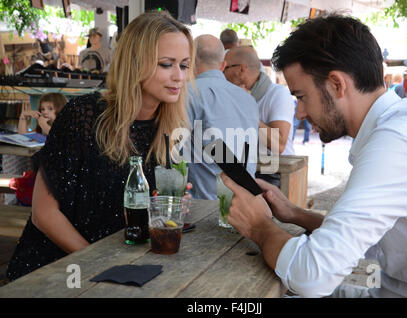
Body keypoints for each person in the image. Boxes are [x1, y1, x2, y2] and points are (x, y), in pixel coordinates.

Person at [220, 14, 407, 298]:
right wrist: (294, 214)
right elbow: (368, 238)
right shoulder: (403, 126)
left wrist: (259, 227)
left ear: (337, 84)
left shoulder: (397, 144)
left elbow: (313, 275)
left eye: (301, 97)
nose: (300, 114)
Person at [6, 10, 195, 281]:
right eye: (166, 64)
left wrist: (166, 206)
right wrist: (102, 267)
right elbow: (43, 215)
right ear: (135, 63)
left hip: (123, 267)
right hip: (56, 270)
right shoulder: (84, 115)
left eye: (185, 65)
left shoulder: (168, 129)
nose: (180, 76)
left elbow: (136, 209)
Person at [186, 34, 259, 200]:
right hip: (247, 201)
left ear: (190, 61)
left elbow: (173, 153)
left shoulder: (188, 93)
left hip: (205, 206)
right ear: (223, 65)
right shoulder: (249, 99)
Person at [224, 46, 295, 187]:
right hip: (245, 168)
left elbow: (278, 145)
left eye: (225, 68)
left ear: (241, 69)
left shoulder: (277, 94)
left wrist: (246, 107)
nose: (222, 73)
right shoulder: (232, 95)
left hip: (275, 173)